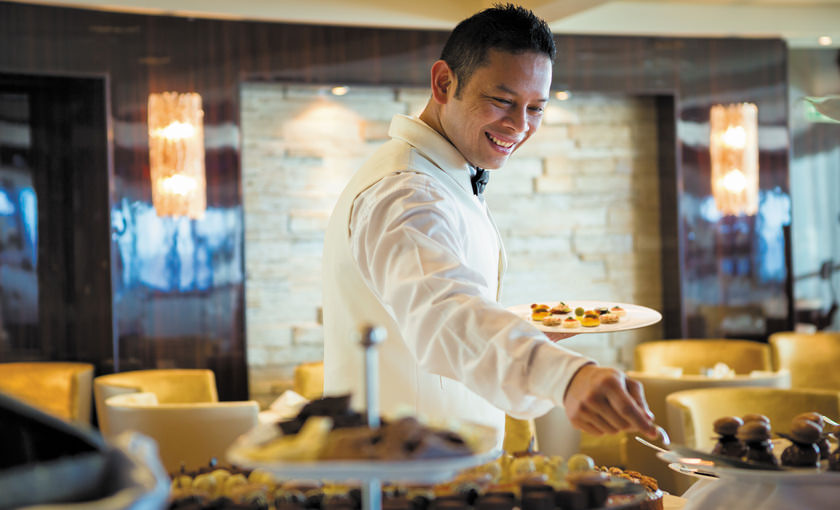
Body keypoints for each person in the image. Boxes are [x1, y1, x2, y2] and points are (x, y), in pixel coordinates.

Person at [322, 3, 656, 445]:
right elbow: (447, 314)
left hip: (444, 467)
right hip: (403, 478)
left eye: (536, 108)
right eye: (502, 101)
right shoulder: (405, 191)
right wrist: (566, 377)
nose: (520, 126)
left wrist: (530, 340)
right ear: (445, 82)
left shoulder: (445, 176)